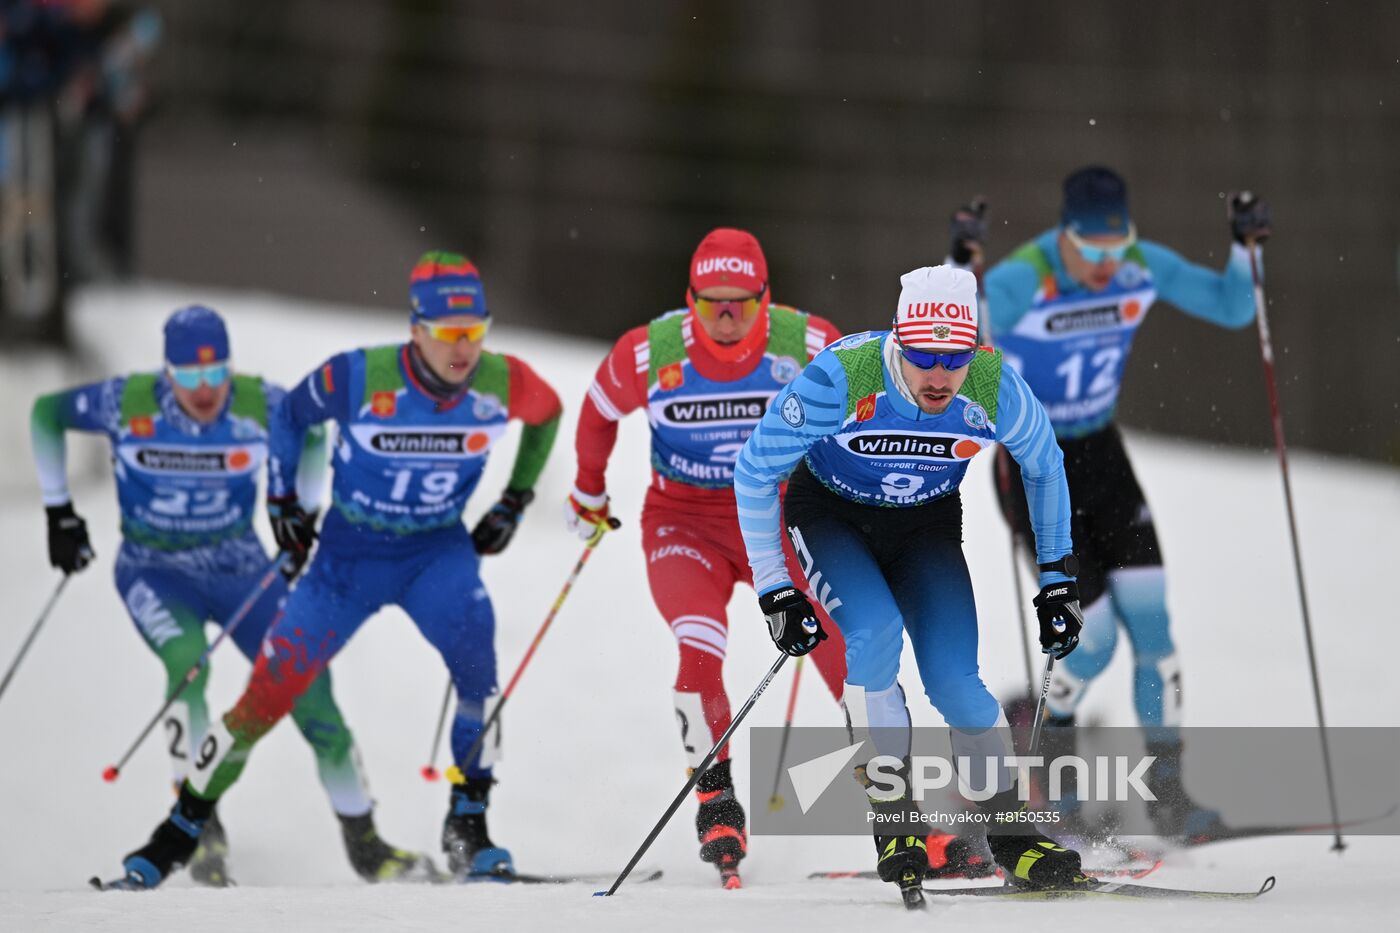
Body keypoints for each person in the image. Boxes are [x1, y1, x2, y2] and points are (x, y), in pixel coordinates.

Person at [104, 252, 563, 889]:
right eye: (449, 333)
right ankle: (179, 831)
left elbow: (548, 412)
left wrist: (516, 498)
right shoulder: (359, 375)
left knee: (478, 668)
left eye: (476, 332)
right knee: (269, 692)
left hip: (436, 553)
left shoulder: (502, 381)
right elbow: (292, 414)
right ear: (416, 329)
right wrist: (283, 501)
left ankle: (469, 829)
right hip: (349, 559)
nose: (464, 349)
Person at [734, 265, 1087, 894]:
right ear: (898, 340)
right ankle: (894, 817)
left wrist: (1058, 578)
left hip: (924, 528)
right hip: (831, 516)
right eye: (923, 356)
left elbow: (1045, 464)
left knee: (958, 683)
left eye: (953, 359)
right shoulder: (844, 377)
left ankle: (1010, 835)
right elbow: (756, 471)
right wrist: (774, 589)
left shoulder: (991, 382)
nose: (939, 376)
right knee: (873, 633)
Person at [951, 167, 1271, 836]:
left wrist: (1246, 249)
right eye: (1090, 251)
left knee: (1156, 634)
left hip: (1102, 454)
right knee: (1090, 643)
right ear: (1063, 235)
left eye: (1115, 247)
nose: (1105, 265)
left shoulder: (1138, 266)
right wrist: (962, 278)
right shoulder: (1022, 280)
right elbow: (956, 340)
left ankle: (1169, 795)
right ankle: (1056, 784)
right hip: (1035, 464)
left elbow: (1234, 307)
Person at [30, 305, 396, 886]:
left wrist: (301, 510)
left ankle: (366, 841)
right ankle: (201, 828)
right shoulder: (129, 400)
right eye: (190, 376)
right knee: (187, 668)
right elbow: (47, 413)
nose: (205, 390)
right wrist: (59, 511)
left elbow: (314, 430)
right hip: (155, 570)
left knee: (310, 686)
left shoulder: (260, 403)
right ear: (167, 370)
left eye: (215, 374)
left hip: (241, 570)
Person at [566, 227, 848, 888]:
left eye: (741, 304)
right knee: (699, 646)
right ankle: (715, 799)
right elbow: (599, 410)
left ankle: (912, 815)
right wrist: (587, 487)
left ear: (766, 300)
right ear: (689, 298)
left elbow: (862, 411)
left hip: (774, 518)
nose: (725, 318)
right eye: (711, 303)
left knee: (846, 650)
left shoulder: (806, 343)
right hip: (683, 523)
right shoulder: (651, 350)